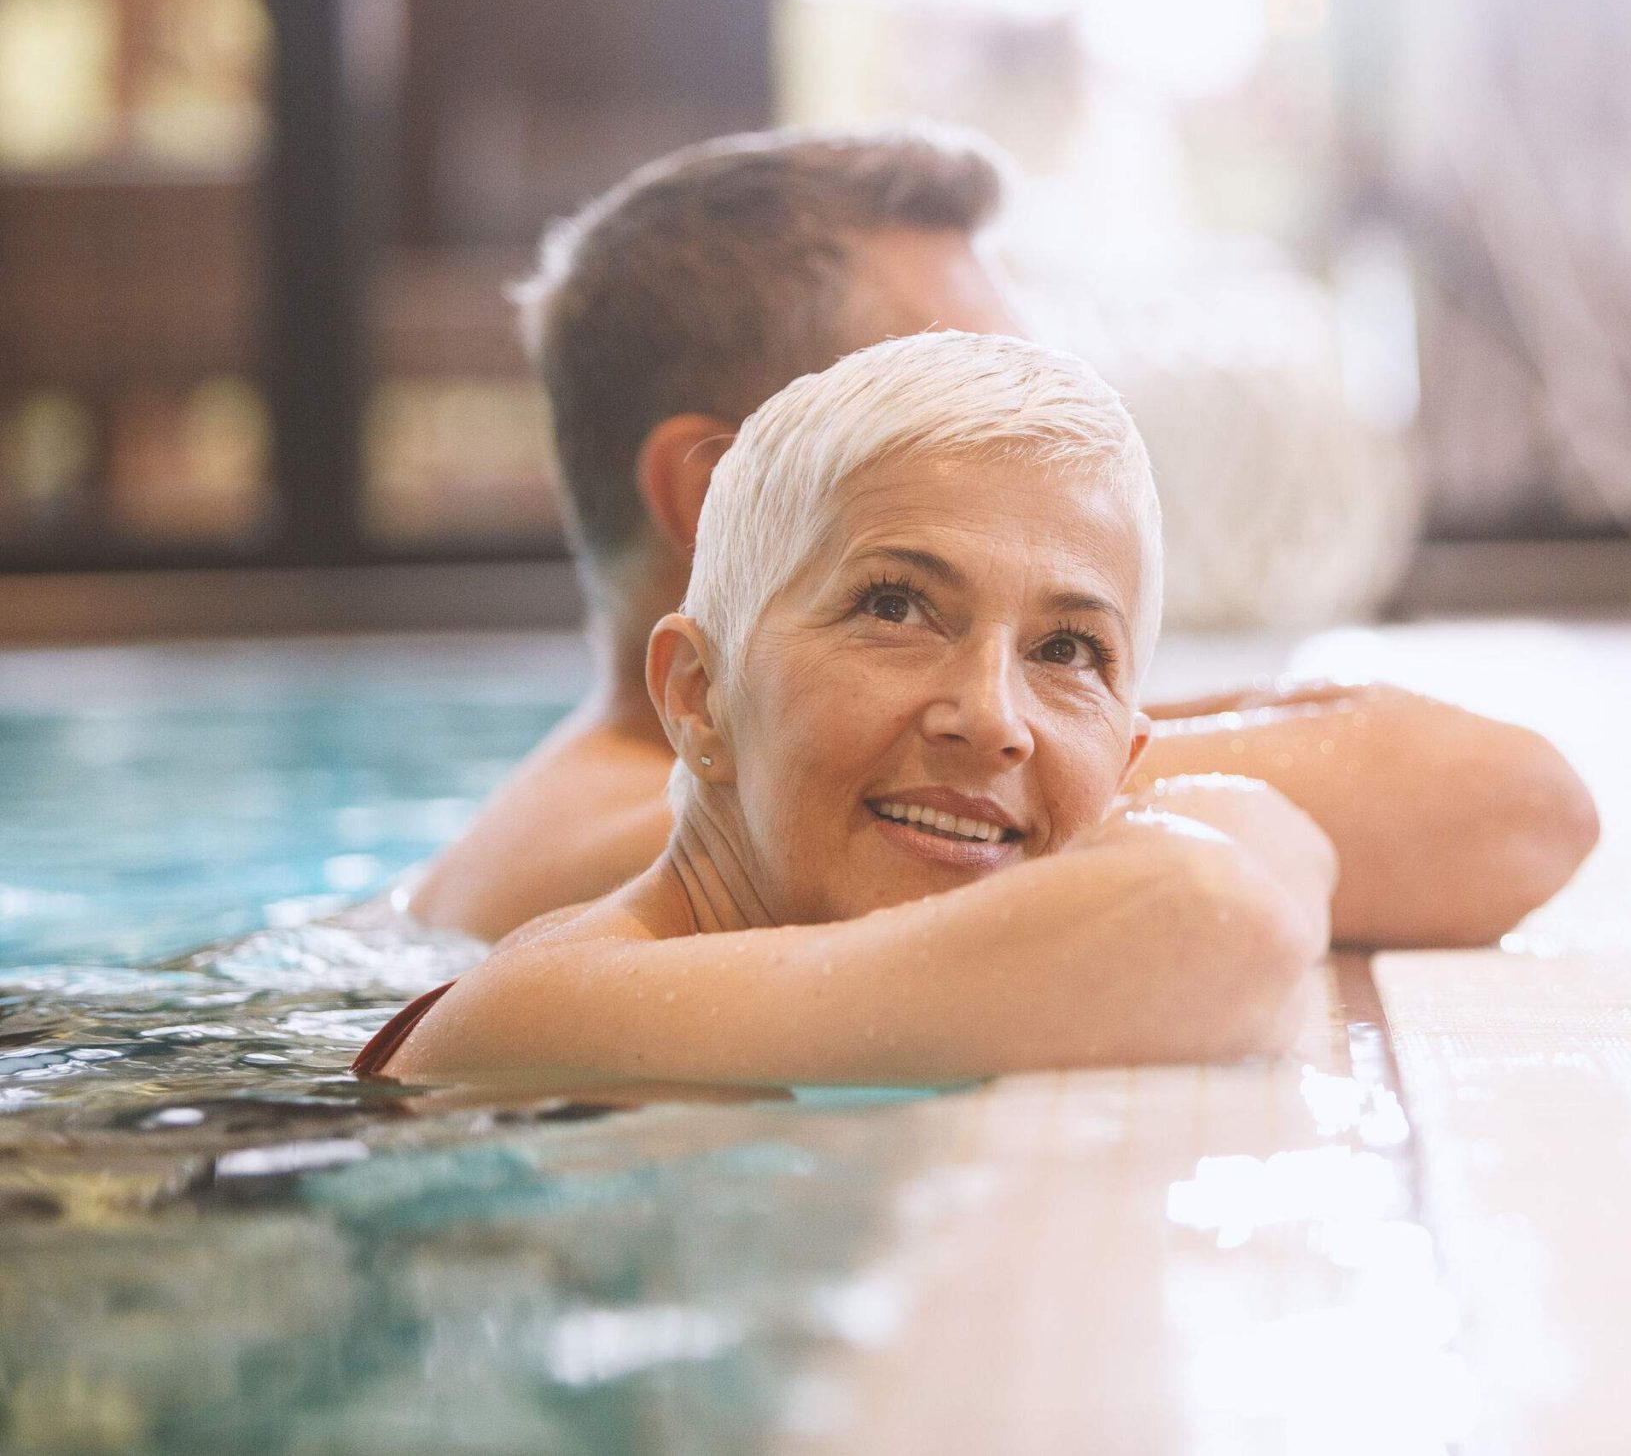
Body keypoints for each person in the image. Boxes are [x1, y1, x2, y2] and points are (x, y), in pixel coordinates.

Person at [395, 125, 1596, 949]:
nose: (1013, 432)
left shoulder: (711, 785)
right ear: (715, 496)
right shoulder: (618, 864)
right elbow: (1499, 807)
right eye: (937, 384)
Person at [362, 334, 1335, 1085]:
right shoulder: (540, 1013)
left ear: (1127, 762)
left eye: (1067, 649)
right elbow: (1212, 922)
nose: (992, 717)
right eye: (894, 607)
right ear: (697, 699)